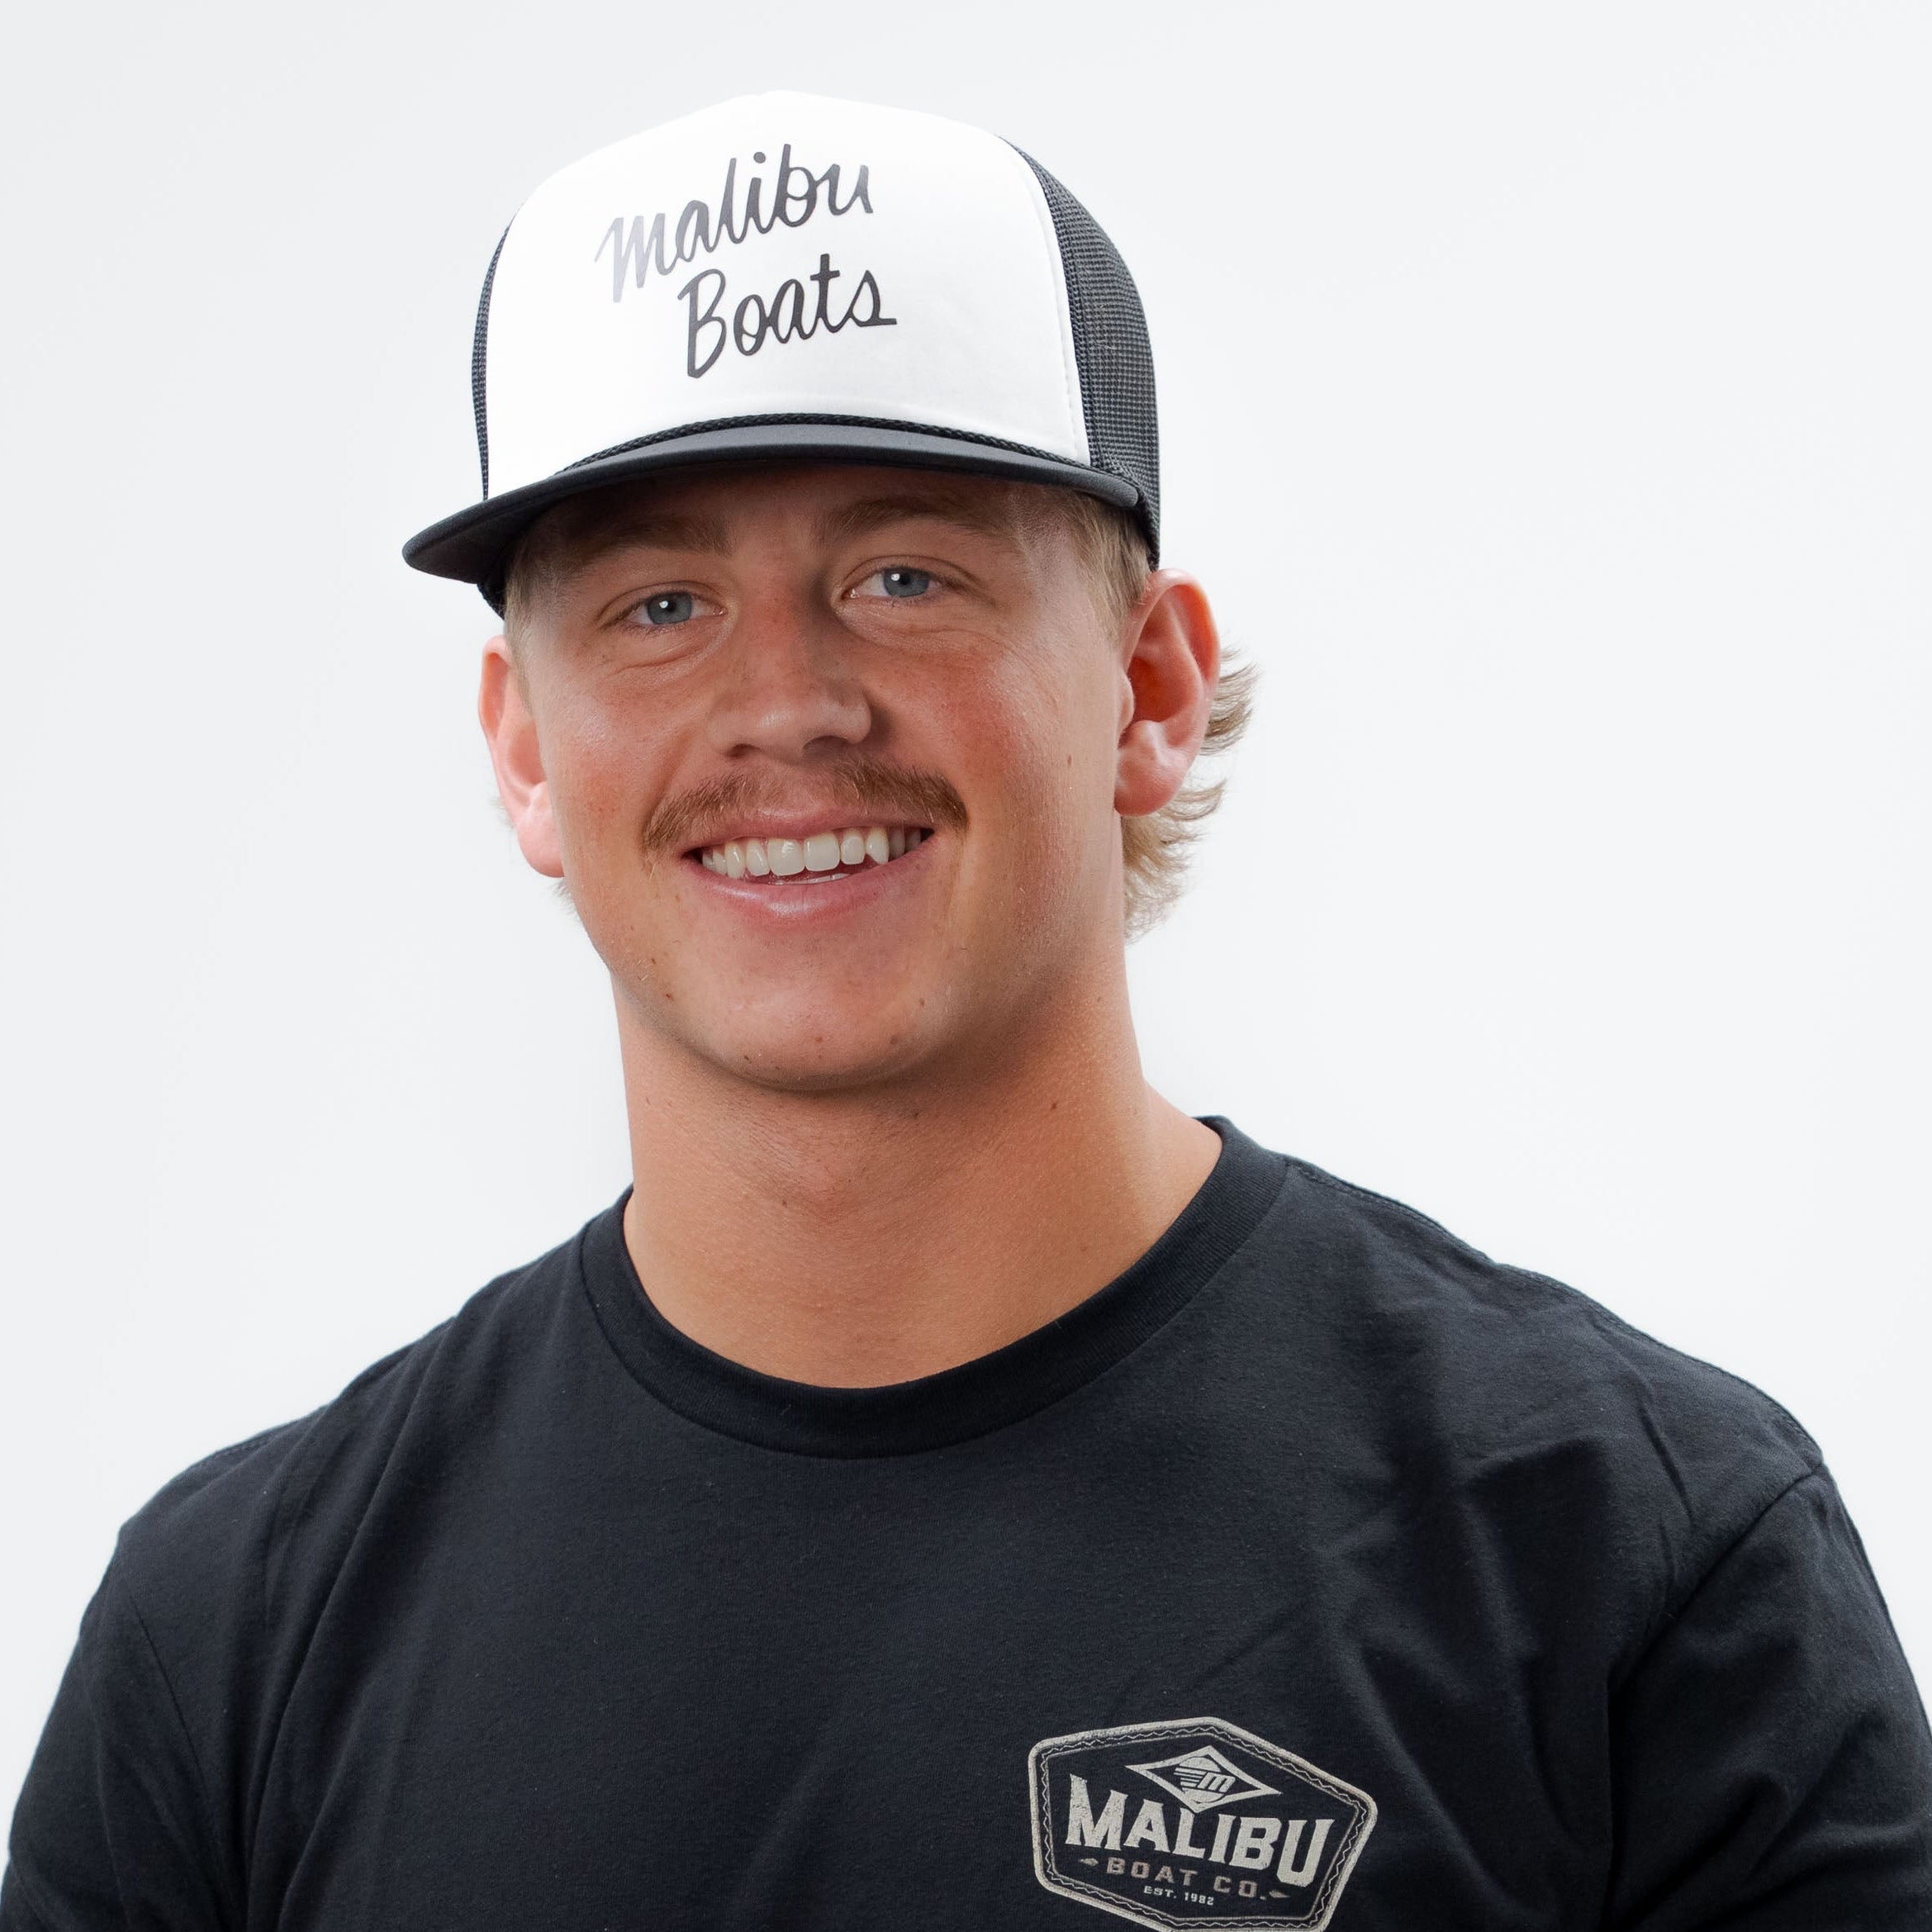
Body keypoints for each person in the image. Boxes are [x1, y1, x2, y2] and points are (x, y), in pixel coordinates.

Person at [3, 89, 1928, 1932]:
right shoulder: (235, 1639)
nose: (790, 707)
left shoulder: (1627, 1563)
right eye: (657, 609)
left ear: (1151, 686)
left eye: (906, 575)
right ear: (524, 748)